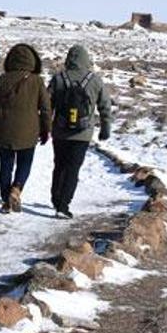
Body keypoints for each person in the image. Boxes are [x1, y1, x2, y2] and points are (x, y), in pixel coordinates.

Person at [0, 43, 52, 214]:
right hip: (28, 132)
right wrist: (46, 129)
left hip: (3, 130)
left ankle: (5, 201)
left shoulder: (2, 79)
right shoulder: (37, 81)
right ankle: (16, 189)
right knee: (25, 163)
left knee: (5, 165)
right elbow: (45, 108)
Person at [48, 45, 113, 218]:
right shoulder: (95, 80)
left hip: (60, 131)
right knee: (73, 169)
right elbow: (105, 106)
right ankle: (63, 205)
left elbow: (48, 106)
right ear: (86, 59)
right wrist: (105, 128)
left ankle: (56, 198)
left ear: (68, 59)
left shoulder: (58, 78)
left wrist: (45, 127)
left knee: (59, 166)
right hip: (82, 134)